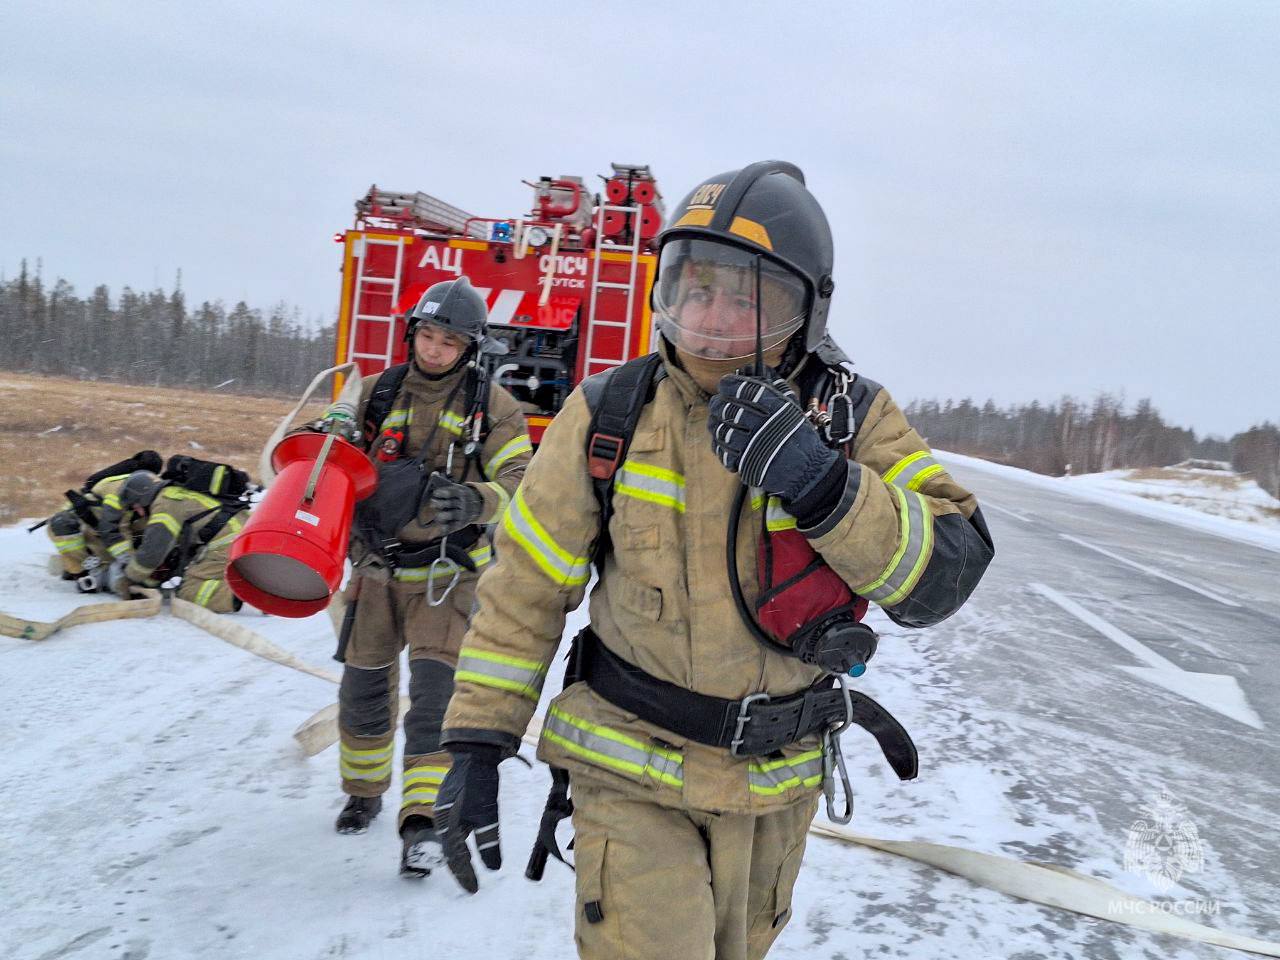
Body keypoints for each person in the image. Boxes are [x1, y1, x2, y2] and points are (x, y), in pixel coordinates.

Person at [434, 162, 995, 959]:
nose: (712, 314)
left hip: (777, 788)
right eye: (695, 287)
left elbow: (947, 573)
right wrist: (479, 741)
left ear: (805, 308)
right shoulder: (609, 413)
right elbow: (524, 585)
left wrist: (828, 487)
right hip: (627, 770)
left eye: (745, 294)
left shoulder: (851, 418)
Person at [326, 276, 533, 880]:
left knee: (435, 700)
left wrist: (477, 501)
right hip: (374, 572)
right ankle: (362, 794)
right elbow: (320, 452)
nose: (435, 348)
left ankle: (422, 823)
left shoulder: (493, 409)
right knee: (362, 692)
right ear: (413, 332)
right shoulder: (378, 393)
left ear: (469, 347)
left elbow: (525, 485)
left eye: (449, 340)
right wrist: (323, 438)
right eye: (427, 334)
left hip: (446, 579)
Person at [114, 468, 248, 612]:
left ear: (143, 497)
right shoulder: (175, 493)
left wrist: (129, 577)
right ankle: (251, 580)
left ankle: (243, 594)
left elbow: (152, 552)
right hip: (243, 531)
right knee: (201, 573)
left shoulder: (164, 504)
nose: (139, 513)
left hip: (228, 541)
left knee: (189, 590)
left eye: (136, 507)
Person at [44, 450, 163, 591]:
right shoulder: (121, 489)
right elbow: (113, 528)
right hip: (87, 527)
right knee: (64, 528)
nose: (140, 509)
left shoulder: (147, 488)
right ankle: (82, 572)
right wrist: (128, 561)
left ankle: (86, 567)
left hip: (99, 528)